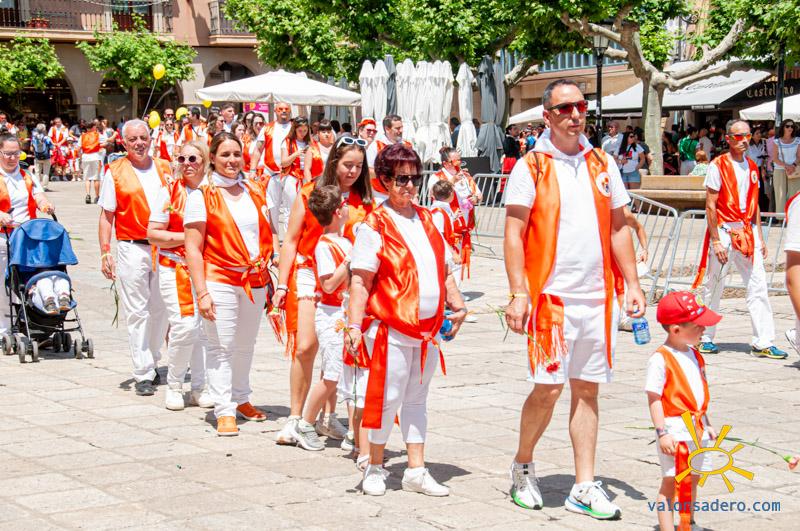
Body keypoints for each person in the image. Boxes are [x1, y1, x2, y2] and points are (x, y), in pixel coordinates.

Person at [503, 79, 644, 518]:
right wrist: (517, 291)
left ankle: (584, 484)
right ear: (547, 116)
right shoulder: (533, 166)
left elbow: (619, 226)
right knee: (547, 389)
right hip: (551, 300)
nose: (574, 115)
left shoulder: (603, 162)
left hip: (598, 298)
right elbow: (514, 232)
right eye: (563, 108)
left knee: (587, 390)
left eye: (580, 106)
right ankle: (523, 465)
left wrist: (633, 284)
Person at [347, 142, 467, 497]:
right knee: (388, 397)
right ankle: (374, 465)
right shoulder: (374, 224)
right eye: (401, 179)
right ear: (384, 180)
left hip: (428, 329)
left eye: (415, 178)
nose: (410, 185)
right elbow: (360, 280)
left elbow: (444, 270)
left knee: (417, 398)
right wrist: (354, 326)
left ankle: (416, 469)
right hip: (390, 328)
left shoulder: (429, 218)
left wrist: (458, 306)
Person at [272, 135, 373, 449]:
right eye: (347, 165)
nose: (353, 171)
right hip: (308, 276)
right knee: (305, 346)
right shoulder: (310, 192)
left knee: (340, 350)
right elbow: (290, 240)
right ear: (334, 162)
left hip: (347, 282)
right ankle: (295, 416)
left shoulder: (365, 202)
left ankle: (330, 418)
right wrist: (281, 283)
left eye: (359, 166)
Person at [184, 132, 279, 436]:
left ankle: (241, 397)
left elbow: (268, 231)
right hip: (220, 278)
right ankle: (223, 408)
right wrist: (202, 293)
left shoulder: (254, 189)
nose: (232, 161)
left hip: (254, 279)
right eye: (225, 155)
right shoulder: (202, 195)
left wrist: (271, 258)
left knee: (245, 344)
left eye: (236, 154)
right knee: (221, 346)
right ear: (212, 158)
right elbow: (193, 249)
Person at [692, 119, 787, 359]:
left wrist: (760, 236)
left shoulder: (753, 167)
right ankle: (705, 336)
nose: (744, 140)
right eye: (738, 136)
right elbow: (710, 204)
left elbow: (754, 203)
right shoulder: (718, 165)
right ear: (728, 139)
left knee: (758, 284)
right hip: (725, 229)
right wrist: (715, 239)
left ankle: (763, 341)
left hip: (747, 230)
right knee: (714, 284)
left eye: (746, 135)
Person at [98, 119, 170, 396]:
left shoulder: (165, 168)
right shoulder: (114, 172)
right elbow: (106, 216)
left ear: (151, 138)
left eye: (143, 137)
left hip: (162, 248)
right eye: (133, 140)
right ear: (123, 143)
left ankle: (152, 359)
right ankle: (142, 371)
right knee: (138, 310)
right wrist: (106, 251)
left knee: (161, 308)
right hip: (132, 246)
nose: (139, 143)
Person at [147, 140, 214, 411]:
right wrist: (186, 239)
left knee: (204, 330)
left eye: (193, 159)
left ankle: (200, 386)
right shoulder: (168, 192)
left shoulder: (214, 192)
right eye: (182, 159)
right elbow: (153, 233)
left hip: (209, 268)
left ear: (205, 162)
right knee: (185, 325)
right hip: (174, 267)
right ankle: (174, 384)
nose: (187, 164)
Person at [646, 291, 720, 531]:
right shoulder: (660, 359)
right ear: (676, 330)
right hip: (675, 431)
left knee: (693, 478)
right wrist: (662, 432)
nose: (703, 330)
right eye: (698, 326)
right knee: (671, 482)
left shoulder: (696, 355)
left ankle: (688, 522)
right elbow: (654, 397)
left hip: (697, 430)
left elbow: (700, 396)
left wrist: (707, 422)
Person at [294, 185, 353, 451]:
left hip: (346, 312)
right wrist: (348, 262)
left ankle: (345, 428)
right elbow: (328, 285)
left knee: (342, 373)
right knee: (332, 374)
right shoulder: (324, 245)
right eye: (345, 203)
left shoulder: (345, 241)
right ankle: (305, 423)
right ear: (339, 211)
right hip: (330, 315)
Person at [0, 133, 55, 336]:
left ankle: (27, 321)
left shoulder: (27, 175)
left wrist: (45, 204)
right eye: (8, 154)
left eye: (16, 153)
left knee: (27, 279)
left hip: (27, 235)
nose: (12, 158)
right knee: (3, 282)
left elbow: (38, 195)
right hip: (4, 235)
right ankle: (4, 329)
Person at [426, 147, 481, 285]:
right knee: (449, 259)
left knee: (459, 259)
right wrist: (452, 181)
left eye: (460, 160)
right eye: (456, 160)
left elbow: (479, 194)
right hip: (448, 224)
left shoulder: (465, 175)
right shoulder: (436, 177)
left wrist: (476, 198)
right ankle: (448, 292)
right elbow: (434, 193)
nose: (459, 163)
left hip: (464, 224)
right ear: (446, 163)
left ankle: (457, 291)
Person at [251, 102, 293, 227]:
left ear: (290, 111)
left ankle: (288, 241)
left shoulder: (295, 127)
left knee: (290, 208)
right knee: (271, 207)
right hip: (272, 174)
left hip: (291, 174)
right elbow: (258, 150)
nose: (284, 111)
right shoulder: (267, 128)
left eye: (286, 109)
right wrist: (253, 170)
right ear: (275, 111)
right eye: (280, 109)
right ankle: (274, 240)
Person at [365, 114, 409, 203]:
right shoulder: (376, 146)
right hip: (381, 196)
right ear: (387, 129)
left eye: (401, 127)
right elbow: (367, 171)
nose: (401, 131)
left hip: (403, 195)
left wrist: (415, 195)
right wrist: (388, 172)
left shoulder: (407, 146)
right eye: (397, 128)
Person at [280, 117, 312, 219]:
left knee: (306, 209)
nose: (303, 133)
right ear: (295, 130)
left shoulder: (311, 143)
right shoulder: (287, 142)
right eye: (300, 131)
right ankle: (288, 234)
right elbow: (284, 163)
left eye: (305, 130)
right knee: (289, 209)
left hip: (307, 178)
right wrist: (296, 154)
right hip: (292, 178)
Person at [769, 119, 800, 213]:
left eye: (792, 126)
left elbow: (799, 156)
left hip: (794, 169)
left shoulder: (798, 140)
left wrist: (793, 165)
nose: (790, 128)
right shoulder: (776, 141)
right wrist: (787, 166)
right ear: (783, 127)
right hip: (780, 169)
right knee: (780, 195)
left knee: (794, 194)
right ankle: (781, 218)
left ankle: (793, 216)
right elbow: (774, 158)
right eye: (787, 126)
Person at [304, 119, 335, 183]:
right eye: (323, 132)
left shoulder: (336, 148)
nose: (326, 134)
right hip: (316, 183)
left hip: (332, 183)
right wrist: (310, 185)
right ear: (318, 133)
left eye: (328, 132)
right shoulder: (312, 149)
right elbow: (307, 169)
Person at [80, 119, 103, 204]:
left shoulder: (82, 136)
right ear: (93, 127)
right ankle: (97, 196)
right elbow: (106, 142)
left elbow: (79, 147)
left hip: (85, 157)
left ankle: (88, 195)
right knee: (96, 178)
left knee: (87, 178)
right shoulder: (98, 135)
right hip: (95, 156)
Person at [747, 128, 769, 212]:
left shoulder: (763, 143)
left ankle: (762, 211)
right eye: (757, 133)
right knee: (753, 189)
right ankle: (752, 210)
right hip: (751, 169)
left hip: (761, 168)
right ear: (752, 135)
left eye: (760, 133)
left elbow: (766, 154)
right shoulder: (748, 145)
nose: (759, 135)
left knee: (762, 190)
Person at [31, 124, 53, 190]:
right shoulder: (47, 138)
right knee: (46, 172)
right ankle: (44, 187)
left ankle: (37, 186)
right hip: (46, 157)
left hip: (37, 157)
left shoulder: (34, 138)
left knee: (37, 172)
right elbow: (51, 147)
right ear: (44, 130)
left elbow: (32, 148)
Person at [48, 117, 69, 181]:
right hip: (54, 146)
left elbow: (65, 137)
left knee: (64, 161)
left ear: (61, 122)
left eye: (59, 122)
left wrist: (60, 143)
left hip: (62, 146)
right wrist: (53, 143)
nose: (57, 123)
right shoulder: (52, 128)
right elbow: (49, 137)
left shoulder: (64, 128)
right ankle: (57, 175)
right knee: (55, 161)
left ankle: (64, 175)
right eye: (56, 122)